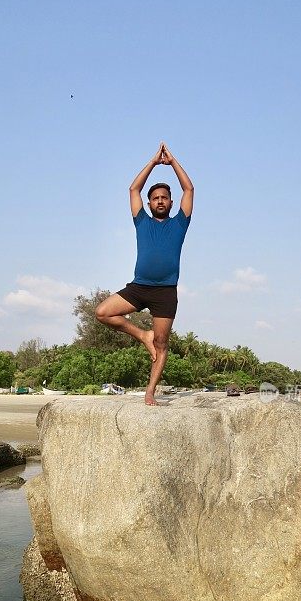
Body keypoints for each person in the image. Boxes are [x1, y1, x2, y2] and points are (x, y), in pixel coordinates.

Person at [95, 142, 194, 405]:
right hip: (139, 287)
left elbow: (189, 188)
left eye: (164, 197)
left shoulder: (180, 223)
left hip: (165, 292)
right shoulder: (142, 221)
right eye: (156, 198)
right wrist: (153, 162)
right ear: (150, 203)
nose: (160, 200)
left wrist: (172, 162)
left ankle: (150, 391)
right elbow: (133, 188)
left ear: (171, 202)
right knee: (102, 312)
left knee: (162, 344)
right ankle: (142, 336)